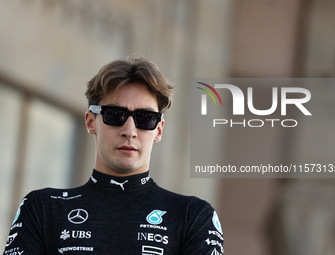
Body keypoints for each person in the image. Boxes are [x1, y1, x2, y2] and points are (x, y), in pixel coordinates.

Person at [3, 57, 224, 255]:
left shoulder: (193, 216)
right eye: (115, 115)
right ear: (91, 122)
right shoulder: (43, 208)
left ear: (158, 129)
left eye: (145, 117)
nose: (130, 130)